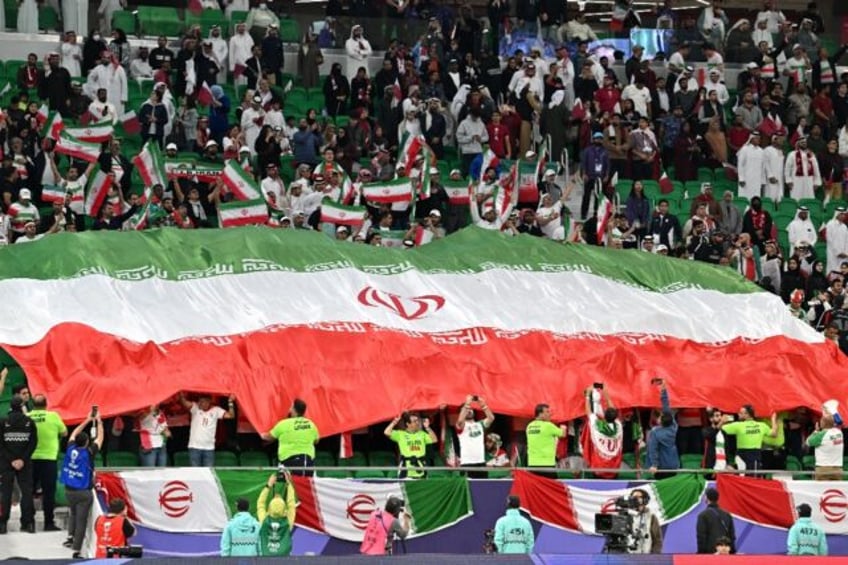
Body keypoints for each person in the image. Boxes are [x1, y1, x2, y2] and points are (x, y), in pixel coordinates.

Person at [60, 409, 103, 558]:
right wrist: (99, 421)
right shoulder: (88, 453)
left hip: (68, 489)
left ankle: (70, 538)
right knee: (81, 520)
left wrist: (86, 420)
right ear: (86, 443)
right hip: (83, 492)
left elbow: (73, 434)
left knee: (73, 513)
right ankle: (77, 549)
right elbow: (100, 438)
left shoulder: (70, 447)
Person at [28, 394, 67, 531]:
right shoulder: (53, 416)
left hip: (30, 459)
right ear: (46, 404)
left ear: (33, 404)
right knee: (49, 493)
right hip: (49, 459)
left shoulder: (27, 416)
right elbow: (64, 433)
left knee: (29, 492)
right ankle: (48, 523)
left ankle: (29, 523)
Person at [0, 395, 38, 534]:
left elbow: (1, 445)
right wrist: (22, 459)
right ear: (22, 406)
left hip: (6, 462)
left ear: (10, 406)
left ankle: (2, 524)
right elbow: (33, 443)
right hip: (25, 463)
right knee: (27, 492)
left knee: (6, 493)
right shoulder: (29, 422)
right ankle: (28, 524)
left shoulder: (3, 422)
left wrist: (11, 460)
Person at [262, 398, 319, 475]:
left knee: (290, 485)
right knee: (305, 485)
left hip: (288, 463)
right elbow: (316, 441)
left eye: (291, 407)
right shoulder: (311, 424)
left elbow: (269, 437)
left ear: (293, 410)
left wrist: (261, 433)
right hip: (308, 462)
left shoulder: (283, 424)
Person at [178, 393, 236, 467]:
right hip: (194, 447)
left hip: (209, 448)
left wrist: (230, 402)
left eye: (203, 401)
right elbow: (184, 403)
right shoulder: (195, 408)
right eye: (199, 401)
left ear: (209, 402)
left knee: (208, 473)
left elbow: (231, 415)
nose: (200, 403)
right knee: (195, 473)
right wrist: (181, 394)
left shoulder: (216, 410)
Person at [720, 404, 777, 473]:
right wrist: (773, 419)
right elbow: (774, 434)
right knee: (753, 478)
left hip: (742, 455)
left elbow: (719, 430)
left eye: (740, 413)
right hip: (755, 455)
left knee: (741, 478)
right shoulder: (762, 425)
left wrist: (722, 421)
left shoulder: (738, 425)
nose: (738, 414)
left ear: (747, 414)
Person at [581, 386, 623, 478]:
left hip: (599, 467)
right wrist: (607, 396)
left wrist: (587, 395)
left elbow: (588, 412)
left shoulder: (597, 426)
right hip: (613, 468)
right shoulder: (619, 427)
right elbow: (613, 410)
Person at [384, 412, 437, 479]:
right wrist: (395, 421)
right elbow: (386, 432)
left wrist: (427, 427)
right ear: (408, 424)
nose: (417, 423)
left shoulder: (422, 434)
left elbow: (434, 440)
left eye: (418, 420)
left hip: (421, 467)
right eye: (414, 421)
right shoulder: (401, 434)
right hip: (406, 468)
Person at [257, 471, 296, 556]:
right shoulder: (288, 521)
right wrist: (288, 484)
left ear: (269, 508)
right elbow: (291, 503)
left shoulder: (264, 520)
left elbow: (260, 503)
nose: (277, 495)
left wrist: (268, 485)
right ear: (284, 510)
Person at [647, 379, 679, 479]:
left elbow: (653, 450)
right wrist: (664, 390)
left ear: (661, 421)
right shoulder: (673, 427)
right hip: (674, 465)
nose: (658, 416)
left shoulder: (655, 432)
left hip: (661, 468)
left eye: (660, 416)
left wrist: (654, 465)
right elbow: (666, 408)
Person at [456, 395, 495, 474]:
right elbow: (460, 421)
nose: (469, 411)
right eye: (467, 410)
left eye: (471, 409)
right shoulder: (461, 426)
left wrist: (483, 405)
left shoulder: (480, 424)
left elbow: (491, 418)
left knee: (482, 486)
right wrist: (467, 404)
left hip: (481, 462)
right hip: (467, 463)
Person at [525, 403, 566, 473]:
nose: (550, 414)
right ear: (540, 414)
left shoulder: (529, 426)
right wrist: (563, 427)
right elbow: (563, 434)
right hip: (547, 464)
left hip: (532, 464)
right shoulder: (548, 426)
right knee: (549, 484)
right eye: (547, 412)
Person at [696, 487, 736, 554]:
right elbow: (732, 535)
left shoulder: (702, 515)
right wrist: (732, 551)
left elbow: (701, 537)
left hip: (709, 553)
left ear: (706, 498)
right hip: (724, 553)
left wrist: (701, 553)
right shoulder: (727, 515)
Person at [806, 413, 844, 480]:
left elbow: (808, 442)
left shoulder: (820, 435)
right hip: (837, 469)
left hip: (823, 469)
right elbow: (838, 420)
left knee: (822, 490)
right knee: (835, 489)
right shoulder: (839, 433)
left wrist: (816, 431)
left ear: (822, 423)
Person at [629, 488, 662, 554]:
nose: (635, 500)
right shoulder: (624, 515)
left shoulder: (651, 516)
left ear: (645, 500)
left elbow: (657, 540)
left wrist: (654, 557)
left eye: (638, 497)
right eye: (633, 497)